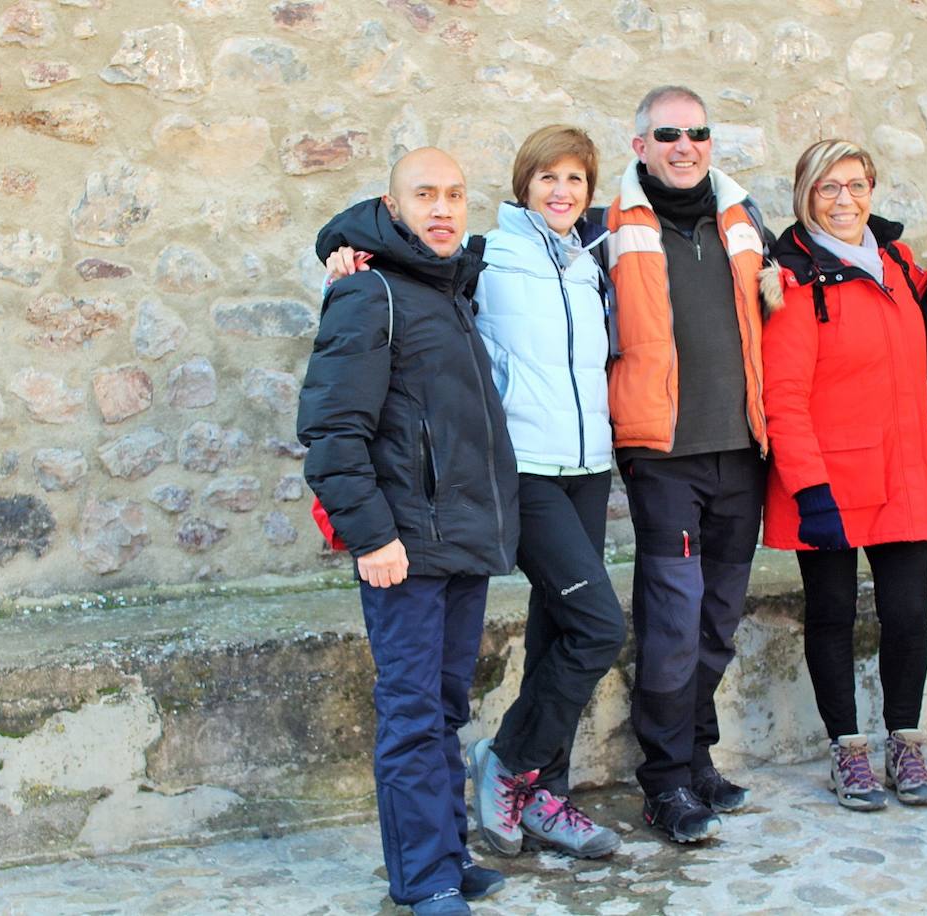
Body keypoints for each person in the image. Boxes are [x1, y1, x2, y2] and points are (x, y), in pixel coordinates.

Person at [324, 126, 627, 861]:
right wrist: (339, 251)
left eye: (575, 180)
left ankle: (540, 797)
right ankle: (510, 764)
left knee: (560, 632)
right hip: (522, 473)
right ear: (521, 187)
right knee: (598, 626)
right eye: (546, 177)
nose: (561, 191)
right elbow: (387, 259)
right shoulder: (484, 259)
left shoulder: (594, 262)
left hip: (588, 467)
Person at [297, 147, 519, 915]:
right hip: (403, 548)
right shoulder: (369, 294)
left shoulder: (449, 290)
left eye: (455, 193)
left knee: (446, 709)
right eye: (424, 193)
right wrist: (371, 537)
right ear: (391, 208)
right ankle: (424, 879)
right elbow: (331, 431)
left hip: (458, 540)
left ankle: (447, 858)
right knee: (413, 714)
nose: (443, 207)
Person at [760, 139, 927, 812]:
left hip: (902, 471)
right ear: (806, 197)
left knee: (907, 617)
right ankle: (848, 749)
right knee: (833, 616)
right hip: (830, 485)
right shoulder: (793, 279)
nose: (844, 200)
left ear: (873, 187)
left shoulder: (898, 264)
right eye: (827, 188)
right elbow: (783, 397)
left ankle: (905, 739)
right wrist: (808, 491)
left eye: (855, 185)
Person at [606, 85, 768, 843]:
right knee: (672, 623)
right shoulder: (607, 227)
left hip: (741, 453)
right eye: (666, 133)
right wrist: (353, 247)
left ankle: (696, 756)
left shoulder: (743, 221)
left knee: (717, 622)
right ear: (641, 145)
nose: (684, 145)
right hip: (664, 457)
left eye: (697, 132)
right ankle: (664, 784)